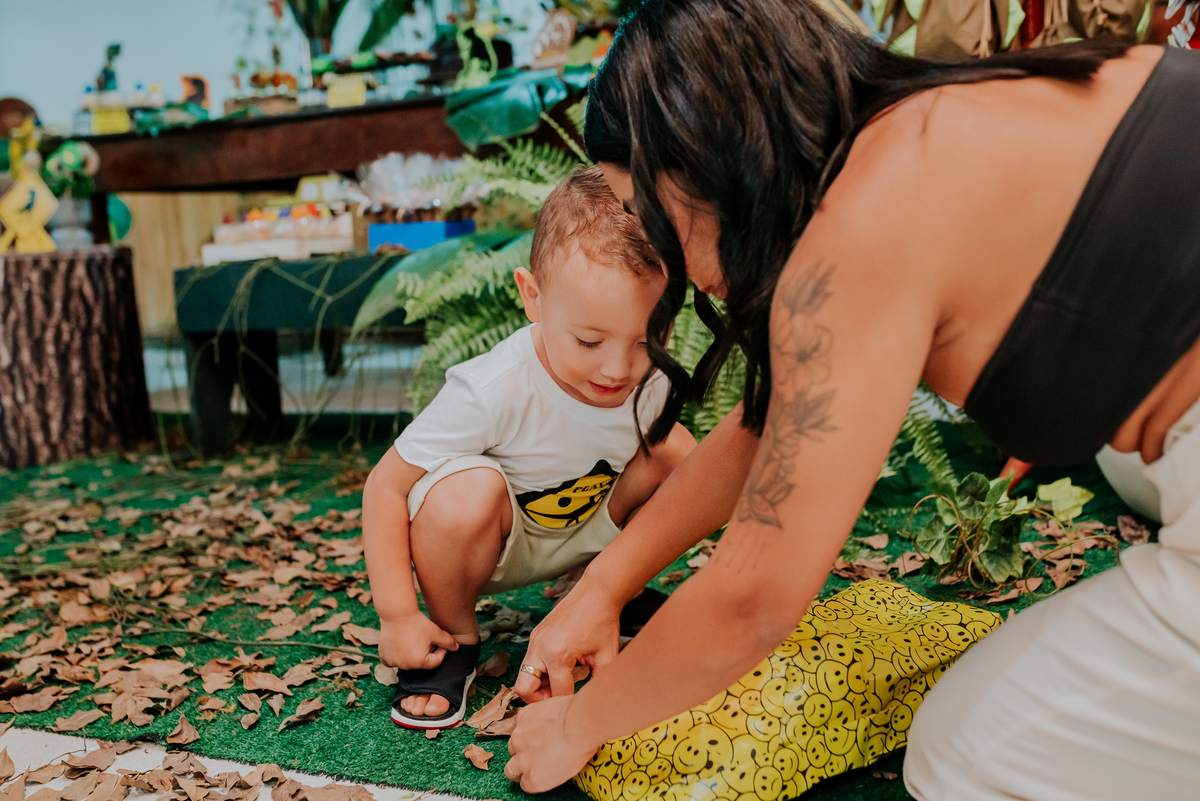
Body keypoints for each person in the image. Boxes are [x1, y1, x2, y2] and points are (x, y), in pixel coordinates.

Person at [502, 0, 1200, 798]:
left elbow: (754, 601)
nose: (655, 254)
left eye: (643, 212)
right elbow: (776, 426)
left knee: (962, 754)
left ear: (702, 157)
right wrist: (602, 588)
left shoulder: (861, 232)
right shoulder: (922, 120)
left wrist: (578, 726)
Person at [362, 165, 695, 729]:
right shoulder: (491, 387)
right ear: (532, 297)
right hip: (498, 544)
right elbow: (385, 486)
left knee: (682, 461)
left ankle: (608, 591)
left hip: (590, 530)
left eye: (647, 340)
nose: (617, 368)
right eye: (589, 340)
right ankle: (457, 641)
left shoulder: (648, 377)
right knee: (464, 490)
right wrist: (397, 615)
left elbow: (697, 478)